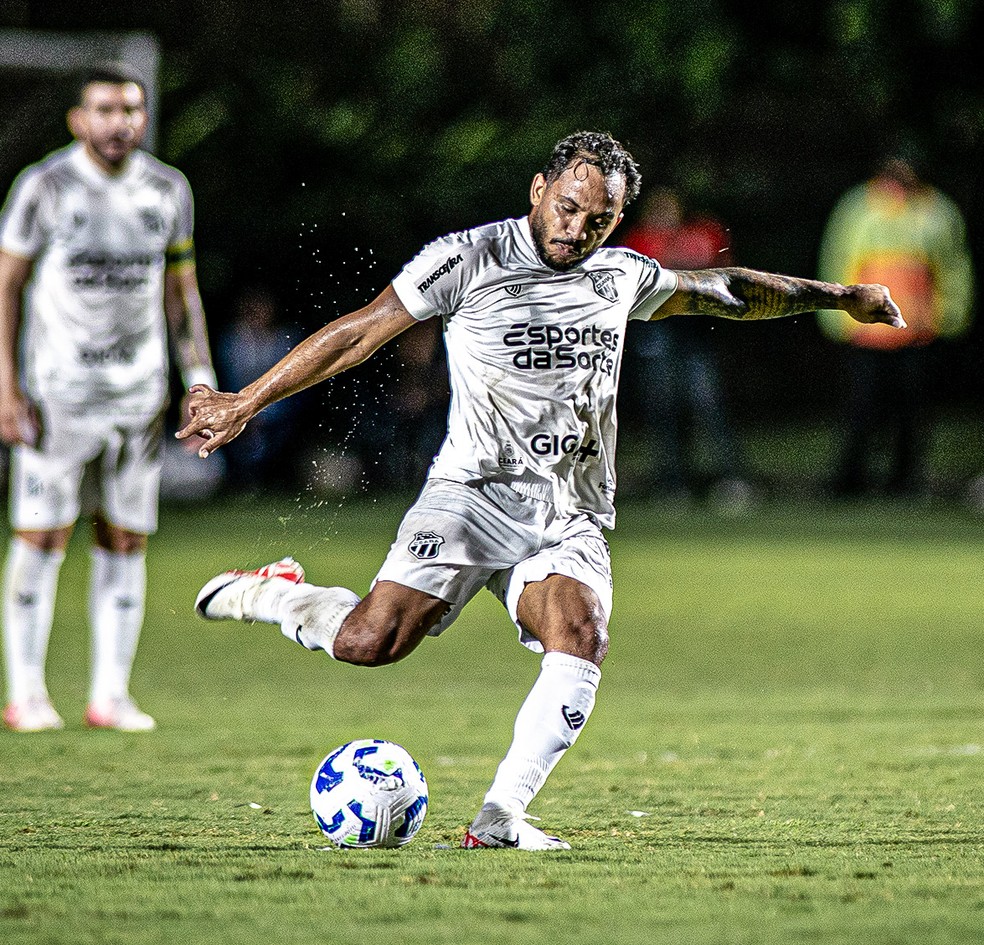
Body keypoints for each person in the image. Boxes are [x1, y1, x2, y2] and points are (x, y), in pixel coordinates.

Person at [179, 131, 903, 848]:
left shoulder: (620, 275)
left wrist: (842, 297)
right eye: (567, 206)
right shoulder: (467, 258)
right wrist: (246, 400)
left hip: (566, 510)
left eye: (598, 219)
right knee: (371, 641)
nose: (576, 229)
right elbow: (357, 334)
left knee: (581, 632)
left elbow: (726, 291)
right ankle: (269, 592)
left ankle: (498, 819)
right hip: (469, 495)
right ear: (539, 189)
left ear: (618, 219)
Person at [0, 63, 216, 732]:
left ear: (143, 118)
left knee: (124, 538)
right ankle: (27, 693)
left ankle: (110, 694)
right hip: (57, 394)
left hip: (137, 394)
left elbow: (181, 292)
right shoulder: (45, 186)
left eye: (129, 109)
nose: (118, 122)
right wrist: (4, 384)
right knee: (42, 535)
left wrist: (199, 375)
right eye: (104, 109)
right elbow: (6, 284)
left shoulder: (167, 190)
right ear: (77, 119)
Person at [817, 153, 973, 497]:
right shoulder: (859, 206)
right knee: (861, 410)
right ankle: (849, 481)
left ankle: (905, 482)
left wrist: (948, 318)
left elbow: (953, 269)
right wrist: (835, 317)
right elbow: (838, 259)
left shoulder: (936, 211)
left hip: (917, 330)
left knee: (913, 413)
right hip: (867, 331)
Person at [618, 186, 753, 508]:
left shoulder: (702, 232)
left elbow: (725, 274)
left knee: (708, 405)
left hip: (696, 333)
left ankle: (731, 478)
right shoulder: (638, 240)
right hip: (657, 333)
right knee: (663, 409)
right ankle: (672, 483)